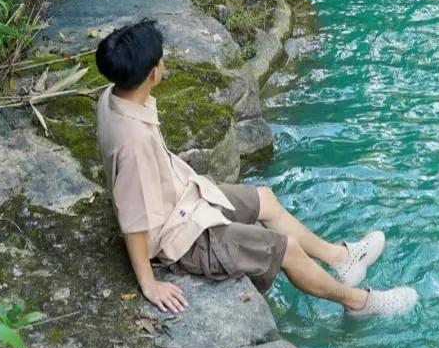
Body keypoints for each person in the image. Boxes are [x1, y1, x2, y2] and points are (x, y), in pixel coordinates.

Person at [94, 18, 418, 318]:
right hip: (180, 238)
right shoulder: (133, 142)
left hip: (183, 200)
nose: (165, 63)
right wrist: (149, 283)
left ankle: (341, 259)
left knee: (264, 198)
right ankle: (358, 302)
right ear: (152, 74)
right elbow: (135, 220)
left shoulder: (114, 94)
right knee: (284, 249)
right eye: (161, 59)